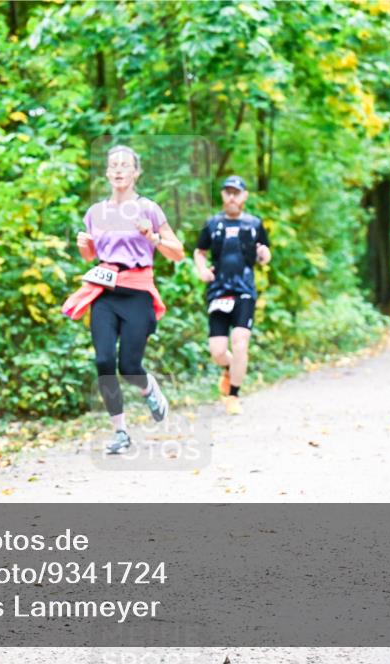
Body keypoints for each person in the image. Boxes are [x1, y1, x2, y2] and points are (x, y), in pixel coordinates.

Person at [62, 145, 185, 454]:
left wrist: (153, 238)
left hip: (138, 289)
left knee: (129, 365)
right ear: (106, 173)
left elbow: (178, 252)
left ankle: (148, 387)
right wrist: (84, 246)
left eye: (124, 165)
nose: (118, 169)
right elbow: (91, 256)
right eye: (113, 164)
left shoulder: (149, 209)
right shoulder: (96, 212)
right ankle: (120, 432)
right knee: (103, 360)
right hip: (104, 290)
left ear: (135, 173)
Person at [193, 175, 271, 415]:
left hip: (244, 291)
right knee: (218, 352)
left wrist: (262, 254)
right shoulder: (212, 224)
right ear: (223, 196)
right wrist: (202, 269)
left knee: (240, 343)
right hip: (219, 291)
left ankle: (233, 395)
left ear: (245, 196)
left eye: (236, 192)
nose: (232, 197)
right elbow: (199, 251)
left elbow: (265, 253)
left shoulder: (254, 224)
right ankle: (230, 368)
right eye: (228, 192)